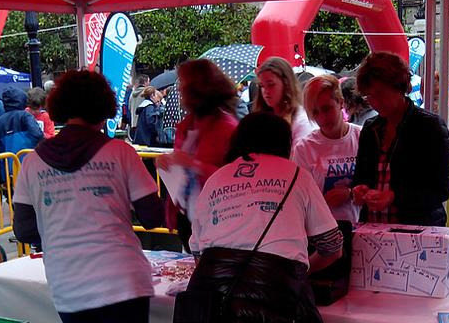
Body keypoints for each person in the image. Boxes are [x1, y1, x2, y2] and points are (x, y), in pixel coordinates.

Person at [177, 112, 345, 323]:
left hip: (208, 294)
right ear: (284, 142)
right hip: (273, 292)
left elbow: (198, 253)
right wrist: (301, 271)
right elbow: (333, 245)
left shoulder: (218, 177)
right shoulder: (295, 174)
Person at [13, 69, 165, 323]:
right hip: (122, 279)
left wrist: (62, 225)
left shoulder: (32, 163)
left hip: (68, 280)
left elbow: (25, 230)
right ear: (103, 107)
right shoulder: (120, 153)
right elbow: (151, 217)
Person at [352, 52, 449, 227]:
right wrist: (360, 190)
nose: (375, 102)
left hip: (416, 231)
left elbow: (441, 189)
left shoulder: (430, 126)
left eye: (380, 94)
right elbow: (362, 177)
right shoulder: (370, 128)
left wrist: (393, 196)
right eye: (369, 96)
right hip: (374, 229)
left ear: (399, 86)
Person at [156, 59, 238, 251]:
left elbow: (236, 180)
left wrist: (194, 164)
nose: (179, 89)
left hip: (220, 223)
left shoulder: (228, 128)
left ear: (198, 88)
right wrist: (166, 163)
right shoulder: (186, 126)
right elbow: (181, 171)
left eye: (182, 84)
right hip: (189, 222)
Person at [293, 75, 361, 299]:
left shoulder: (362, 137)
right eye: (315, 112)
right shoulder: (304, 148)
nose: (322, 118)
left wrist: (350, 193)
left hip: (360, 233)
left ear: (341, 102)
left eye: (327, 109)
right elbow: (297, 201)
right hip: (322, 240)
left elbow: (372, 186)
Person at [254, 56, 317, 145]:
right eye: (262, 85)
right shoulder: (260, 119)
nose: (266, 91)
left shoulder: (301, 121)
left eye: (271, 85)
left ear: (286, 84)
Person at [0, 87, 44, 156]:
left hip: (8, 163)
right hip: (27, 159)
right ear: (22, 100)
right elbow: (37, 134)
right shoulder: (25, 115)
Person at [128, 74, 150, 139]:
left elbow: (129, 107)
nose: (149, 83)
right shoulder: (146, 93)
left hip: (133, 123)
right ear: (145, 82)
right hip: (142, 125)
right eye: (149, 81)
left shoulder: (132, 94)